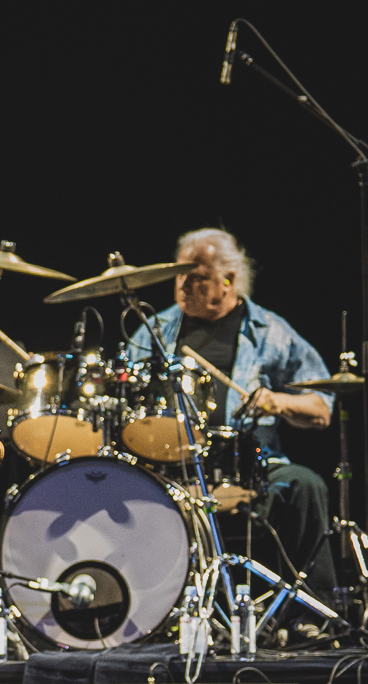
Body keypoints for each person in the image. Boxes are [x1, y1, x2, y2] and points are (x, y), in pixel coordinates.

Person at [126, 228, 337, 596]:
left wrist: (279, 401)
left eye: (197, 277)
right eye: (180, 275)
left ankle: (307, 616)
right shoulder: (153, 332)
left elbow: (321, 406)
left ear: (229, 280)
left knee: (305, 485)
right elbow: (123, 398)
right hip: (169, 468)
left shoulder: (270, 331)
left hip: (253, 466)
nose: (183, 286)